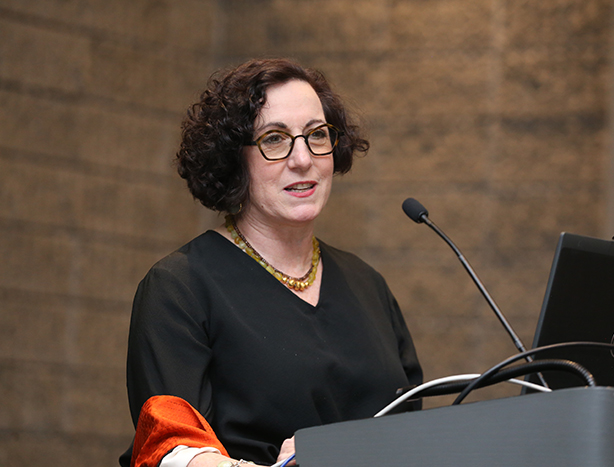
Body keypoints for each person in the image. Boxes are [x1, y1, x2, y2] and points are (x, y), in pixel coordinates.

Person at [120, 58, 423, 467]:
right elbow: (171, 448)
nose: (303, 159)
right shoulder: (180, 287)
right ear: (234, 159)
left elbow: (414, 430)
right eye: (275, 139)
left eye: (317, 135)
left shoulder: (368, 284)